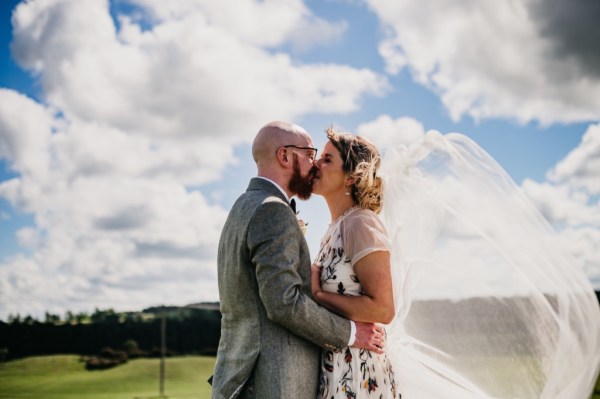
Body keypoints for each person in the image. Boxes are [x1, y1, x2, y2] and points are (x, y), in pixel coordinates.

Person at [211, 121, 386, 399]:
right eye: (309, 154)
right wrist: (351, 334)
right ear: (284, 156)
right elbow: (284, 302)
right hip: (273, 382)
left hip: (246, 378)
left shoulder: (243, 206)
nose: (314, 163)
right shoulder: (273, 211)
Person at [310, 128, 401, 399]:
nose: (315, 164)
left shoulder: (360, 223)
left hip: (360, 374)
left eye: (327, 159)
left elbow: (383, 309)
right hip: (337, 367)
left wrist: (319, 296)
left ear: (351, 178)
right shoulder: (336, 227)